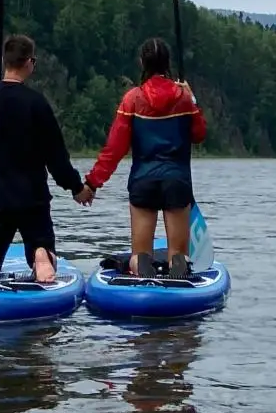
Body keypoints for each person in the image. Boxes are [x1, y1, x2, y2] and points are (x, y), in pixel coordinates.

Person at [0, 32, 85, 286]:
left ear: (5, 61)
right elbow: (56, 155)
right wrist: (76, 188)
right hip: (31, 197)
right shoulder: (37, 103)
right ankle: (41, 255)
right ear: (29, 63)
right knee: (42, 246)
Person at [75, 36, 206, 279]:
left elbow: (113, 150)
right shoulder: (184, 98)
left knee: (140, 254)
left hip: (143, 181)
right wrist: (192, 99)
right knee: (178, 252)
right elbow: (199, 134)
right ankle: (179, 268)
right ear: (167, 63)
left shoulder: (132, 99)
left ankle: (141, 268)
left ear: (141, 62)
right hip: (177, 181)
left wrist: (92, 183)